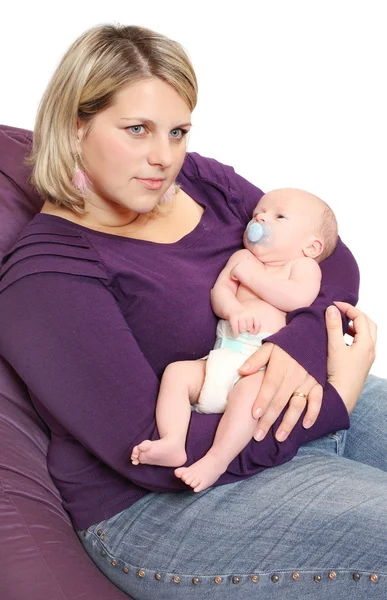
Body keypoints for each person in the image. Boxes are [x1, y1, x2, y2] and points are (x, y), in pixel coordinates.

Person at [0, 23, 385, 600]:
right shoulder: (48, 274)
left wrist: (292, 353)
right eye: (137, 130)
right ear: (75, 126)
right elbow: (147, 451)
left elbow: (332, 261)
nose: (163, 157)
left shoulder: (200, 182)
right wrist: (332, 398)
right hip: (163, 507)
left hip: (277, 406)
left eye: (177, 131)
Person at [131, 188, 339, 493]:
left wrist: (252, 278)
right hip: (221, 356)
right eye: (259, 213)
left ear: (311, 246)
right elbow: (220, 293)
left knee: (249, 400)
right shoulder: (241, 257)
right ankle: (173, 441)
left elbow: (298, 298)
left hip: (259, 365)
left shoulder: (302, 267)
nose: (261, 217)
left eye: (278, 216)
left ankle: (216, 460)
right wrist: (234, 309)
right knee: (176, 373)